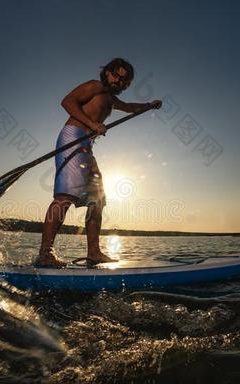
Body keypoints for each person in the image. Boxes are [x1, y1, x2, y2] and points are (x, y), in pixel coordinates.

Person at [35, 58, 162, 268]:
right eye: (115, 75)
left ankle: (94, 252)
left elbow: (130, 107)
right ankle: (45, 253)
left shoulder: (110, 99)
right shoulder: (95, 86)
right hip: (73, 138)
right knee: (64, 197)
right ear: (107, 72)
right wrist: (93, 123)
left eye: (124, 80)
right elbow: (67, 102)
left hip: (86, 145)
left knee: (97, 199)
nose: (117, 81)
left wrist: (149, 105)